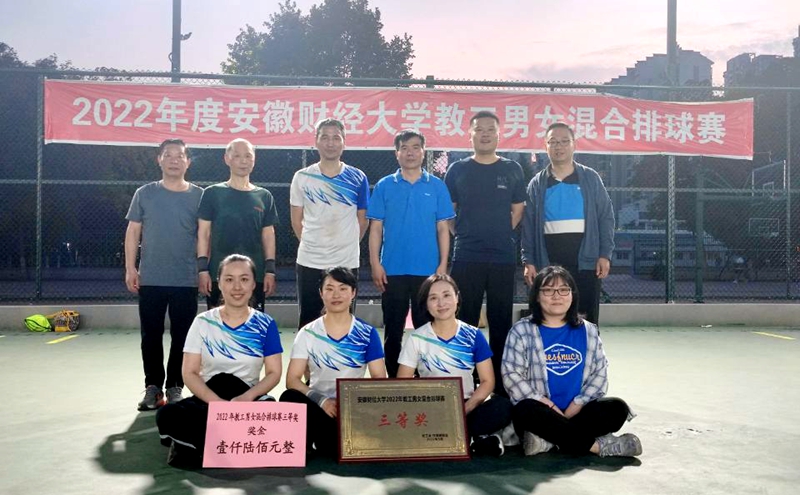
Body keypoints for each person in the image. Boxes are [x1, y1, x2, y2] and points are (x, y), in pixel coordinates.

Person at [156, 254, 283, 468]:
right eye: (229, 279)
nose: (237, 287)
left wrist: (247, 397)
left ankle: (199, 445)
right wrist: (217, 405)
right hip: (208, 399)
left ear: (254, 284)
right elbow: (189, 373)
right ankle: (228, 443)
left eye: (244, 279)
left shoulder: (265, 324)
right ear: (219, 284)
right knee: (167, 414)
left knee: (273, 414)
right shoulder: (202, 322)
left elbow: (274, 373)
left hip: (247, 399)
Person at [501, 265, 641, 458]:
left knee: (617, 409)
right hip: (540, 411)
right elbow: (511, 376)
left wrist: (578, 403)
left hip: (578, 411)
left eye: (563, 290)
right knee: (525, 410)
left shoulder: (588, 330)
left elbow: (600, 374)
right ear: (537, 296)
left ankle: (547, 441)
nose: (556, 296)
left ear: (572, 295)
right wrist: (550, 407)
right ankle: (598, 447)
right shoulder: (521, 331)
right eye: (548, 290)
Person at [444, 111, 526, 396]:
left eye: (491, 129)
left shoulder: (513, 169)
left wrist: (498, 232)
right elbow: (448, 213)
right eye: (479, 129)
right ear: (470, 134)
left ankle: (500, 384)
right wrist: (464, 234)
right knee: (465, 318)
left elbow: (517, 210)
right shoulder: (457, 170)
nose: (485, 134)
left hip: (502, 256)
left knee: (500, 319)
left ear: (499, 134)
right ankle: (466, 379)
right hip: (466, 255)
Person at [368, 130, 455, 377]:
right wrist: (375, 263)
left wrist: (442, 265)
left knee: (426, 328)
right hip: (392, 270)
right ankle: (395, 379)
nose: (410, 153)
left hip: (427, 272)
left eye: (416, 147)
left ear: (423, 152)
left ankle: (427, 375)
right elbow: (375, 229)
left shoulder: (436, 186)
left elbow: (443, 229)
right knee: (393, 329)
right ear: (396, 153)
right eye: (404, 148)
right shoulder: (385, 185)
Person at [125, 138, 203, 411]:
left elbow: (204, 236)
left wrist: (202, 269)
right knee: (151, 335)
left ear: (188, 162)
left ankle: (175, 387)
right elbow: (133, 231)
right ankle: (153, 388)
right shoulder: (144, 193)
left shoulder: (199, 196)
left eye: (179, 155)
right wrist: (131, 268)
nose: (174, 160)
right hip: (151, 278)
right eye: (168, 155)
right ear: (159, 160)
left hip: (185, 278)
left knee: (182, 336)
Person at [397, 274, 511, 456]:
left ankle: (453, 436)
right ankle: (474, 439)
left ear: (457, 297)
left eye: (446, 295)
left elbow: (488, 381)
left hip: (467, 406)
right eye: (433, 298)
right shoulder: (416, 338)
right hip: (429, 407)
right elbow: (402, 384)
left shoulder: (473, 335)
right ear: (426, 304)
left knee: (503, 407)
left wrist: (464, 410)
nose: (441, 303)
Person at [280, 267, 386, 458]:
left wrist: (350, 403)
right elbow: (292, 380)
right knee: (290, 397)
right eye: (329, 289)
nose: (336, 295)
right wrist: (322, 401)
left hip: (351, 408)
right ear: (321, 293)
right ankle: (305, 443)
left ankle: (329, 438)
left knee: (332, 448)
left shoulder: (367, 333)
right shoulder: (307, 333)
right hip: (318, 405)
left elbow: (378, 377)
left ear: (353, 293)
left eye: (343, 288)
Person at [521, 122, 615, 325]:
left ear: (574, 144)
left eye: (564, 141)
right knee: (548, 317)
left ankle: (586, 347)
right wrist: (528, 260)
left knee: (585, 318)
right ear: (545, 146)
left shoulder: (590, 178)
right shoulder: (537, 183)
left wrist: (604, 254)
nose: (559, 146)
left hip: (586, 262)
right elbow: (528, 226)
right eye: (553, 142)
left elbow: (606, 217)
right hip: (548, 261)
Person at [290, 119, 370, 329]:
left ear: (344, 142)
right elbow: (296, 221)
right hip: (309, 260)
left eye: (336, 138)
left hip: (346, 260)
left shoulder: (358, 177)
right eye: (324, 137)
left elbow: (363, 220)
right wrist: (313, 244)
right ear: (316, 142)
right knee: (308, 323)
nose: (330, 143)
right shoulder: (302, 177)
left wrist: (347, 243)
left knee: (344, 323)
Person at [197, 138, 279, 312]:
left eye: (248, 156)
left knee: (253, 324)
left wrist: (270, 271)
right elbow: (204, 233)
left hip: (255, 275)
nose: (243, 161)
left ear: (254, 160)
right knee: (218, 324)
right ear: (227, 159)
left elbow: (268, 235)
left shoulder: (264, 196)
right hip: (218, 274)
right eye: (237, 156)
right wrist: (202, 270)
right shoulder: (212, 193)